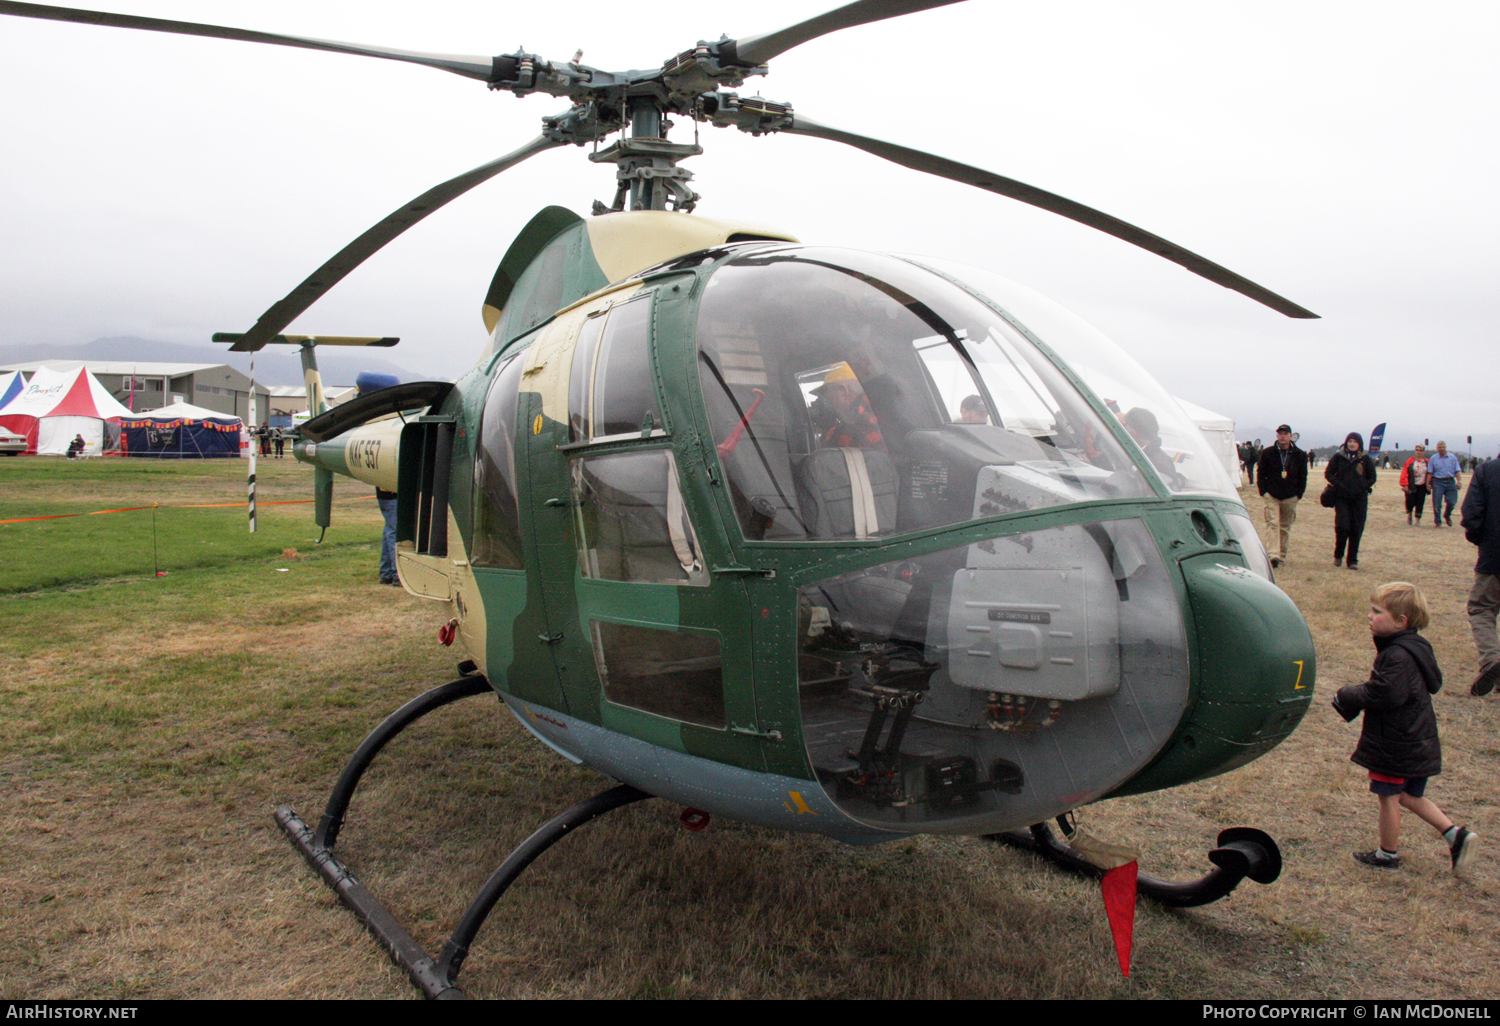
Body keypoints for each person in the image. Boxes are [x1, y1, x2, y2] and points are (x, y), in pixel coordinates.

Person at [1332, 582, 1477, 873]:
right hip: (1416, 739)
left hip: (1396, 742)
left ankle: (1387, 855)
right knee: (1409, 795)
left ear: (1401, 622)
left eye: (1377, 612)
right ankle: (1456, 835)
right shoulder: (1415, 647)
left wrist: (1346, 695)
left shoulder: (1396, 655)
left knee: (1389, 798)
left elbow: (1385, 694)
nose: (1370, 617)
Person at [1461, 453, 1500, 696]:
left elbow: (1472, 513)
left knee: (1481, 609)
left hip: (1494, 555)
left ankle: (1491, 659)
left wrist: (1483, 541)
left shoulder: (1487, 471)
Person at [1255, 423, 1307, 569]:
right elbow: (1261, 473)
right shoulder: (1268, 453)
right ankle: (1273, 555)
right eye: (1280, 434)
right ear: (1277, 436)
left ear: (1291, 436)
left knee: (1284, 527)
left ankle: (1282, 555)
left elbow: (1303, 476)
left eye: (1285, 434)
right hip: (1272, 494)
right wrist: (1263, 491)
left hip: (1290, 496)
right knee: (1273, 524)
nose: (1283, 436)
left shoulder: (1300, 455)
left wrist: (1298, 494)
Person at [1325, 432, 1376, 569]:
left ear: (1359, 444)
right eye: (1350, 441)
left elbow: (1372, 477)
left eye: (1355, 442)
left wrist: (1362, 486)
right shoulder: (1339, 456)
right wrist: (1338, 484)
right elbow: (1328, 473)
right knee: (1342, 526)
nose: (1352, 444)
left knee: (1356, 528)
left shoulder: (1365, 459)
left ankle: (1352, 560)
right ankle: (1338, 554)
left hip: (1359, 498)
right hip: (1342, 497)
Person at [811, 363, 884, 450]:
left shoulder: (850, 428)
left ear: (843, 391)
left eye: (829, 398)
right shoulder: (880, 410)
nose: (831, 405)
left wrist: (829, 432)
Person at [1428, 440, 1462, 527]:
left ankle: (1447, 515)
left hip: (1450, 481)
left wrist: (1459, 481)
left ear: (1445, 448)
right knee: (1437, 503)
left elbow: (1457, 470)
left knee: (1452, 501)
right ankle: (1438, 522)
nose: (1441, 449)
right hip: (1438, 482)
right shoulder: (1433, 458)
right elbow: (1430, 472)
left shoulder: (1452, 457)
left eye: (1443, 447)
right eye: (1440, 447)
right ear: (1437, 448)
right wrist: (1427, 483)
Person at [1398, 445, 1430, 526]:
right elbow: (1404, 473)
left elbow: (1430, 473)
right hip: (1412, 484)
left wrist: (1429, 484)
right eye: (1417, 450)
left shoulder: (1427, 462)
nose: (1419, 452)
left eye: (1421, 450)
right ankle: (1409, 514)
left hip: (1422, 485)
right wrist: (1404, 484)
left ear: (1423, 452)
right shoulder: (1410, 461)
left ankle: (1417, 520)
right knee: (1410, 501)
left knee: (1420, 502)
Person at [376, 487, 399, 585]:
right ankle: (397, 574)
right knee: (394, 534)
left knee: (389, 532)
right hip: (391, 497)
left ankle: (386, 574)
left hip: (386, 497)